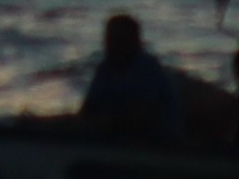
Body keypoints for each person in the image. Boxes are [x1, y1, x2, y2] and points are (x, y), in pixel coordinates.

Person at [79, 11, 185, 143]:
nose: (112, 46)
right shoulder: (105, 68)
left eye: (119, 40)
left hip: (158, 146)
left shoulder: (147, 68)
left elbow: (143, 117)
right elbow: (88, 109)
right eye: (109, 39)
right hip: (118, 141)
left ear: (135, 41)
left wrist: (105, 123)